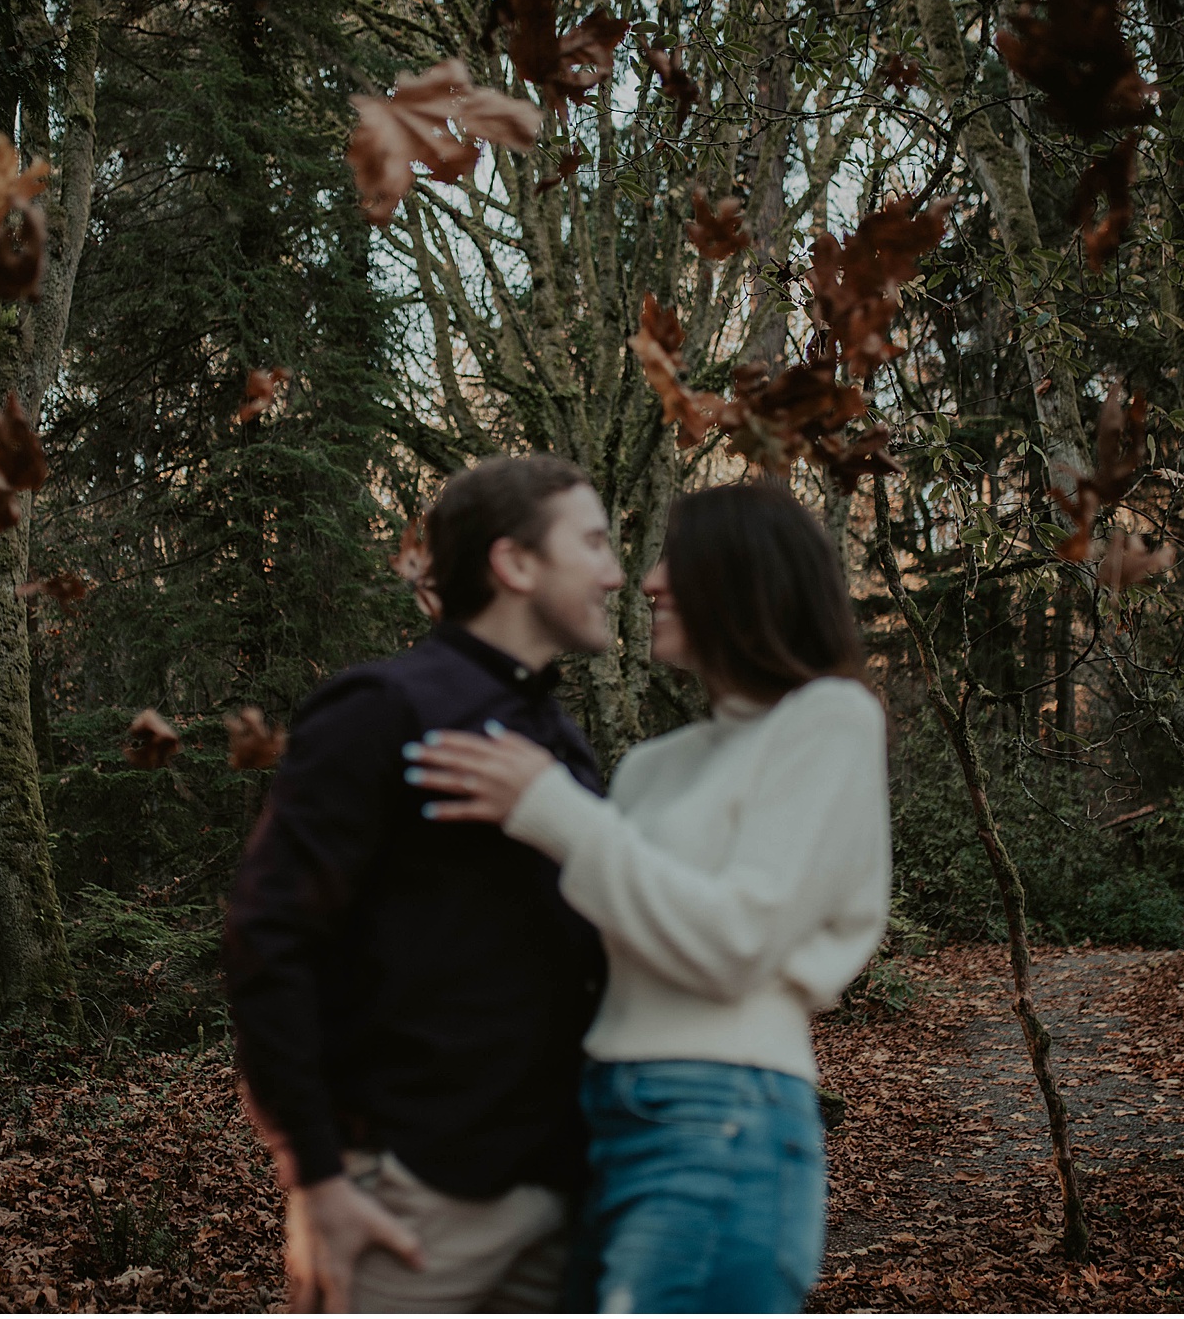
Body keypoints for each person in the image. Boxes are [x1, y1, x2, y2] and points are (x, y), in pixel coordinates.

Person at [407, 482, 892, 1313]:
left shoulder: (829, 719)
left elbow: (740, 942)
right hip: (594, 1116)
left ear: (743, 579)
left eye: (675, 559)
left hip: (722, 1114)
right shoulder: (653, 767)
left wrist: (556, 813)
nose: (650, 581)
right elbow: (587, 941)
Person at [225, 454, 624, 1312]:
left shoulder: (562, 741)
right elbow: (268, 936)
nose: (614, 572)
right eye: (592, 544)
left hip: (564, 1196)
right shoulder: (381, 707)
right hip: (410, 1203)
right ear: (515, 564)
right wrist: (319, 1175)